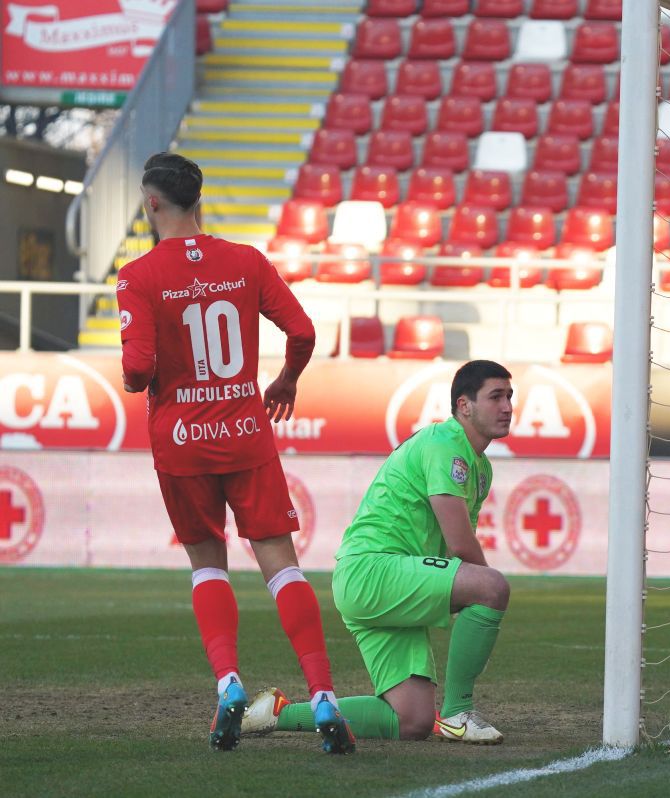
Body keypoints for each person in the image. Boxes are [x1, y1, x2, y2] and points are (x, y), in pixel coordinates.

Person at [117, 152, 354, 754]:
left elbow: (140, 370)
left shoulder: (138, 275)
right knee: (283, 564)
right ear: (198, 201)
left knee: (208, 567)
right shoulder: (245, 261)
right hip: (246, 434)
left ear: (152, 204)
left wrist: (136, 374)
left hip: (182, 446)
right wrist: (286, 381)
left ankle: (228, 684)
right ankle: (324, 693)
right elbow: (301, 332)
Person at [241, 360, 513, 744]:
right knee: (492, 587)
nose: (507, 407)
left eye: (510, 397)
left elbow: (454, 549)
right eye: (496, 397)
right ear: (464, 406)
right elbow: (459, 542)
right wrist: (481, 590)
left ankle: (275, 715)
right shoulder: (445, 443)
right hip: (374, 570)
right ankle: (458, 713)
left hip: (382, 576)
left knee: (412, 721)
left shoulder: (480, 467)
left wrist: (471, 589)